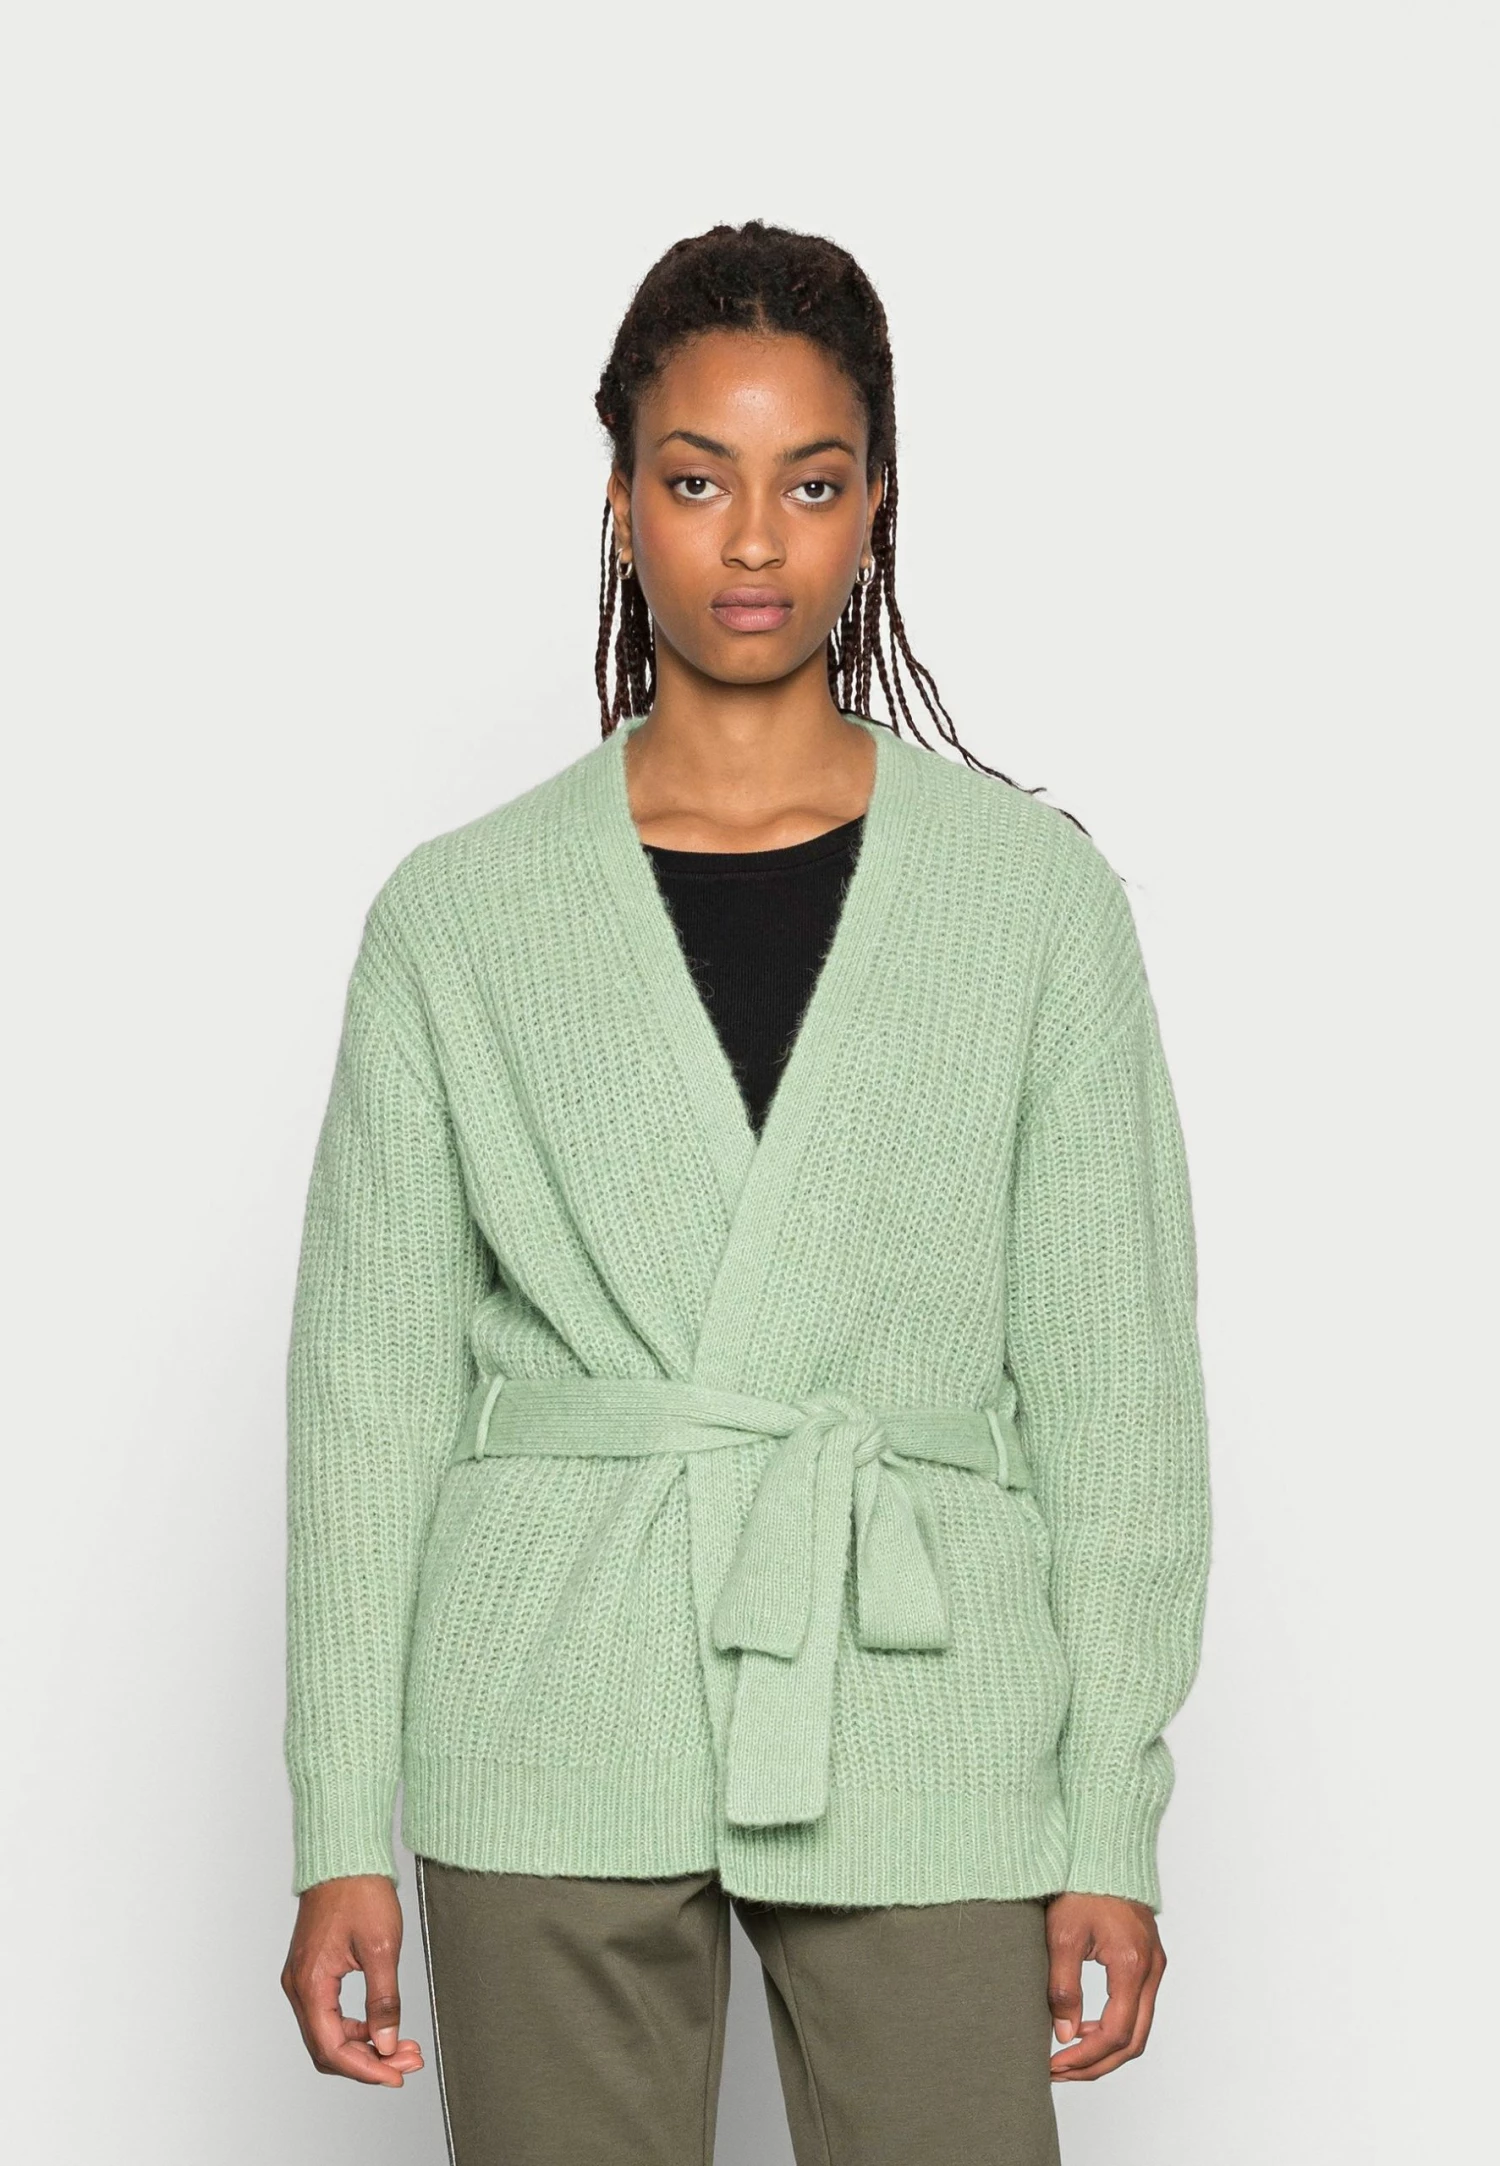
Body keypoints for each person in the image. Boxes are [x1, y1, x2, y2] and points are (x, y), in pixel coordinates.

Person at [278, 220, 1212, 2164]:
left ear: (878, 505)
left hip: (927, 1694)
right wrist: (335, 1823)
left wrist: (1110, 1820)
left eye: (813, 481)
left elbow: (1116, 1390)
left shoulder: (1033, 906)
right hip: (551, 1693)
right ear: (623, 500)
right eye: (699, 481)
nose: (756, 541)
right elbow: (368, 1402)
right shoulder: (457, 918)